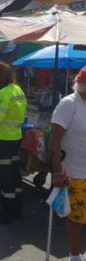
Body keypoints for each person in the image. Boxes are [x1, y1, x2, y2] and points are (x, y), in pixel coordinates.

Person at [50, 66, 86, 261]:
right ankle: (74, 255)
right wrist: (57, 172)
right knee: (77, 218)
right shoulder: (69, 104)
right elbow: (54, 141)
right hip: (75, 173)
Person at [0, 62, 27, 224]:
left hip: (2, 139)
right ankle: (17, 207)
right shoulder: (18, 90)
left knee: (3, 175)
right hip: (16, 137)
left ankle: (6, 211)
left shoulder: (3, 93)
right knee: (15, 173)